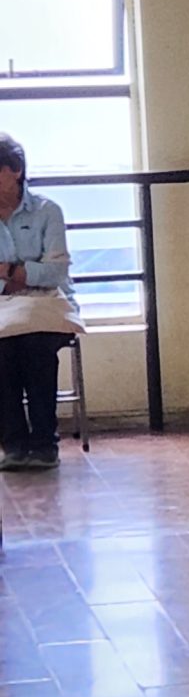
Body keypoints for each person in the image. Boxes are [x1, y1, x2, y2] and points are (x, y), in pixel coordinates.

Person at [0, 134, 75, 471]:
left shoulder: (47, 211)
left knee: (36, 347)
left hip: (48, 306)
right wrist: (27, 274)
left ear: (15, 170)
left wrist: (9, 271)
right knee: (3, 351)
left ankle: (45, 444)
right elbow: (41, 271)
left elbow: (56, 273)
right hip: (3, 309)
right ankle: (13, 445)